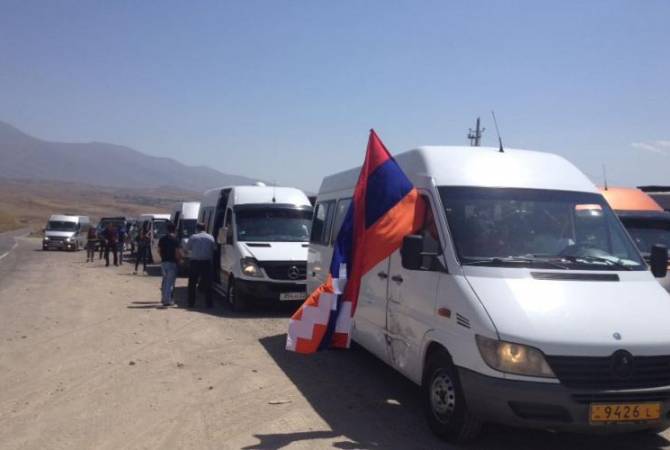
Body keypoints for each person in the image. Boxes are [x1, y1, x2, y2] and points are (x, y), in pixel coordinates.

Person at [185, 222, 216, 308]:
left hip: (195, 262)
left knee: (192, 283)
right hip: (207, 263)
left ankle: (191, 303)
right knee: (208, 283)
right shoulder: (210, 237)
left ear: (197, 228)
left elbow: (187, 248)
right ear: (205, 228)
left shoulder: (193, 237)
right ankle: (209, 304)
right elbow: (214, 248)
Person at [158, 222, 181, 307]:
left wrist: (163, 258)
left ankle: (163, 298)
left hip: (164, 262)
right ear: (174, 230)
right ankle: (167, 300)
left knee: (164, 281)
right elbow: (177, 252)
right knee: (170, 282)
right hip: (172, 262)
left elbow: (159, 250)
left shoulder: (162, 239)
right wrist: (179, 260)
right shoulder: (175, 239)